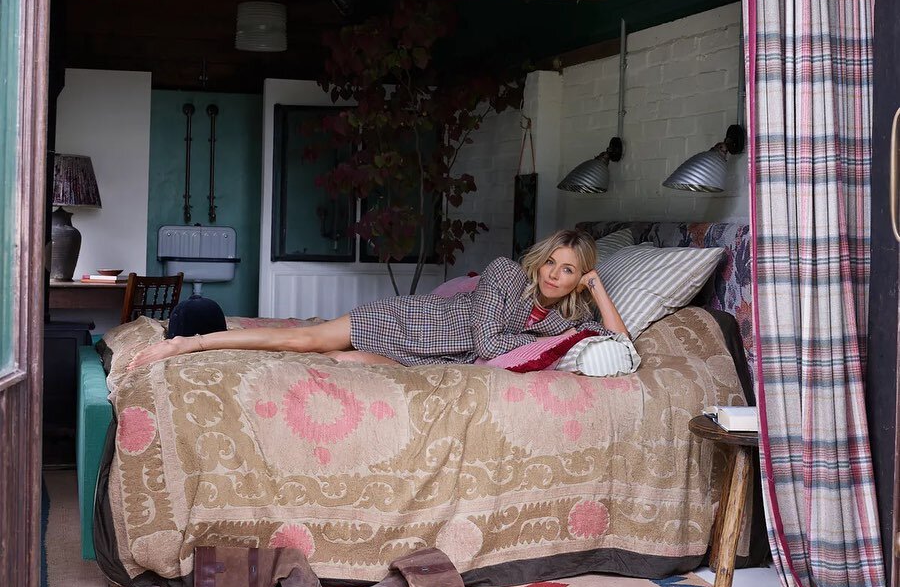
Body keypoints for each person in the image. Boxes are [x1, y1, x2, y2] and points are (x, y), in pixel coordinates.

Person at [127, 228, 627, 370]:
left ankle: (218, 339)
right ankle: (189, 345)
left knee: (320, 358)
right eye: (552, 263)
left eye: (571, 271)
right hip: (407, 324)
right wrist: (524, 347)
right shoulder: (502, 274)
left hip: (420, 360)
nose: (556, 276)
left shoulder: (562, 322)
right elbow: (486, 342)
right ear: (539, 259)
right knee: (303, 340)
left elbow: (621, 346)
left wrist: (599, 289)